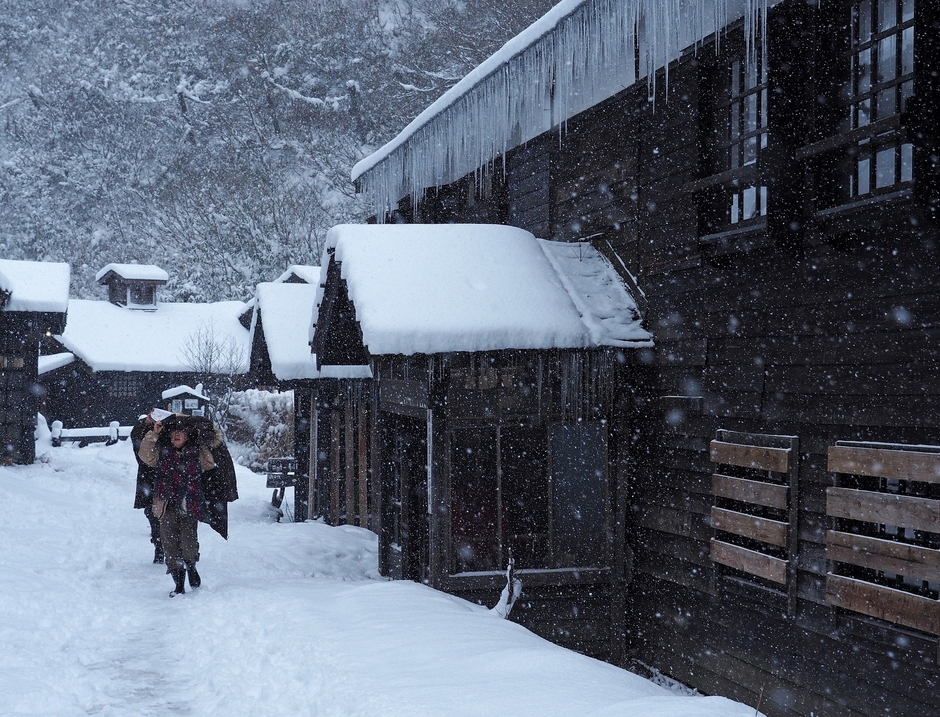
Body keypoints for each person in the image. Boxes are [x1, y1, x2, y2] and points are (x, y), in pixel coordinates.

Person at [138, 414, 216, 597]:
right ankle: (179, 585)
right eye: (173, 432)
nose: (176, 435)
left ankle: (191, 566)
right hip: (166, 505)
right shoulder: (163, 451)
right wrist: (154, 433)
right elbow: (145, 456)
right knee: (170, 548)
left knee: (188, 546)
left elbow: (210, 462)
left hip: (189, 506)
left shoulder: (196, 452)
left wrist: (202, 440)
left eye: (181, 432)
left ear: (188, 435)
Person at [130, 414, 163, 563]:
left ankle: (168, 547)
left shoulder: (169, 429)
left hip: (165, 478)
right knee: (152, 513)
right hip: (148, 478)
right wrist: (147, 424)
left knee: (168, 514)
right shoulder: (142, 430)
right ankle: (159, 546)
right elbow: (139, 450)